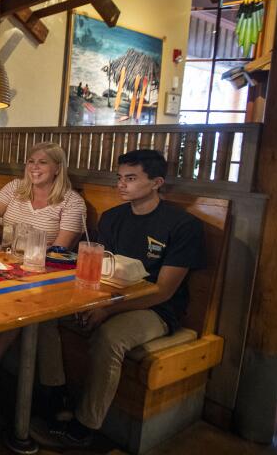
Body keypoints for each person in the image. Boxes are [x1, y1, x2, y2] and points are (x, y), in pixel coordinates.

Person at [38, 149, 205, 448]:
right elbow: (101, 269)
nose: (121, 185)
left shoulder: (182, 226)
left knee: (110, 337)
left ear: (156, 183)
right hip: (108, 297)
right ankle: (55, 392)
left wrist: (108, 310)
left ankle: (85, 425)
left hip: (157, 310)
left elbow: (163, 291)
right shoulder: (113, 217)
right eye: (119, 178)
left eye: (130, 178)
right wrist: (91, 302)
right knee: (44, 317)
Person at [0, 141, 86, 394]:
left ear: (57, 168)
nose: (34, 167)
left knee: (18, 299)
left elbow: (59, 251)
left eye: (42, 162)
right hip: (0, 262)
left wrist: (19, 259)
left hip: (42, 272)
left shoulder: (72, 203)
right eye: (31, 161)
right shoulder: (15, 188)